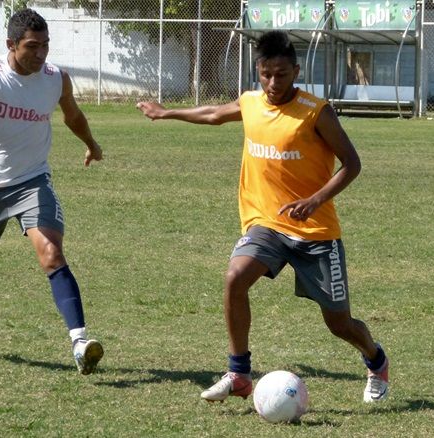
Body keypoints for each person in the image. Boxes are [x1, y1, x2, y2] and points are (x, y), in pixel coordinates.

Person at [137, 30, 388, 402]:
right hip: (266, 224)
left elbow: (352, 164)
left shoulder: (316, 112)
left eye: (282, 74)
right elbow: (212, 114)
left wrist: (315, 200)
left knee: (339, 323)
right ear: (258, 69)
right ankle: (238, 373)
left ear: (296, 70)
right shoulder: (252, 102)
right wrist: (166, 112)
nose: (273, 82)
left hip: (315, 232)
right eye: (266, 73)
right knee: (234, 278)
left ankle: (376, 359)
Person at [0, 8, 104, 375]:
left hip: (32, 180)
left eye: (45, 46)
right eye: (31, 46)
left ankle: (79, 342)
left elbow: (72, 114)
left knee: (52, 253)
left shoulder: (56, 78)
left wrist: (90, 142)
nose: (40, 54)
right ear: (11, 44)